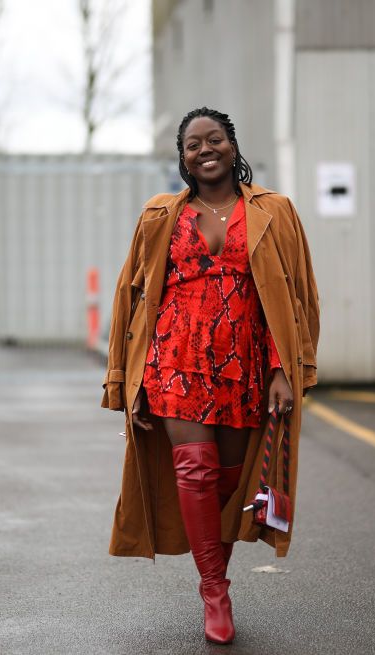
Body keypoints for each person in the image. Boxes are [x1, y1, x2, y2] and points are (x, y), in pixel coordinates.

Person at [102, 107, 320, 645]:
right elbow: (129, 294)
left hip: (245, 364)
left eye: (214, 139)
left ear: (232, 145)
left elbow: (296, 297)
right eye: (193, 144)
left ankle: (214, 574)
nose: (205, 149)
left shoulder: (276, 212)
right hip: (174, 359)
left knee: (227, 481)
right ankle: (214, 591)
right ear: (182, 157)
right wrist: (117, 376)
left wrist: (284, 368)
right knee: (194, 473)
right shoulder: (160, 215)